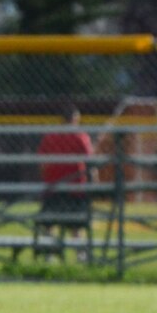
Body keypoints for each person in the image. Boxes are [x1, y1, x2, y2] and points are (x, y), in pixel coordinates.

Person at [37, 107, 95, 250]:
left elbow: (42, 164)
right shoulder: (81, 136)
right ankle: (80, 254)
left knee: (49, 224)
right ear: (75, 119)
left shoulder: (50, 137)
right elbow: (90, 163)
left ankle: (49, 253)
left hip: (53, 187)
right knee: (76, 226)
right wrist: (94, 181)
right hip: (75, 188)